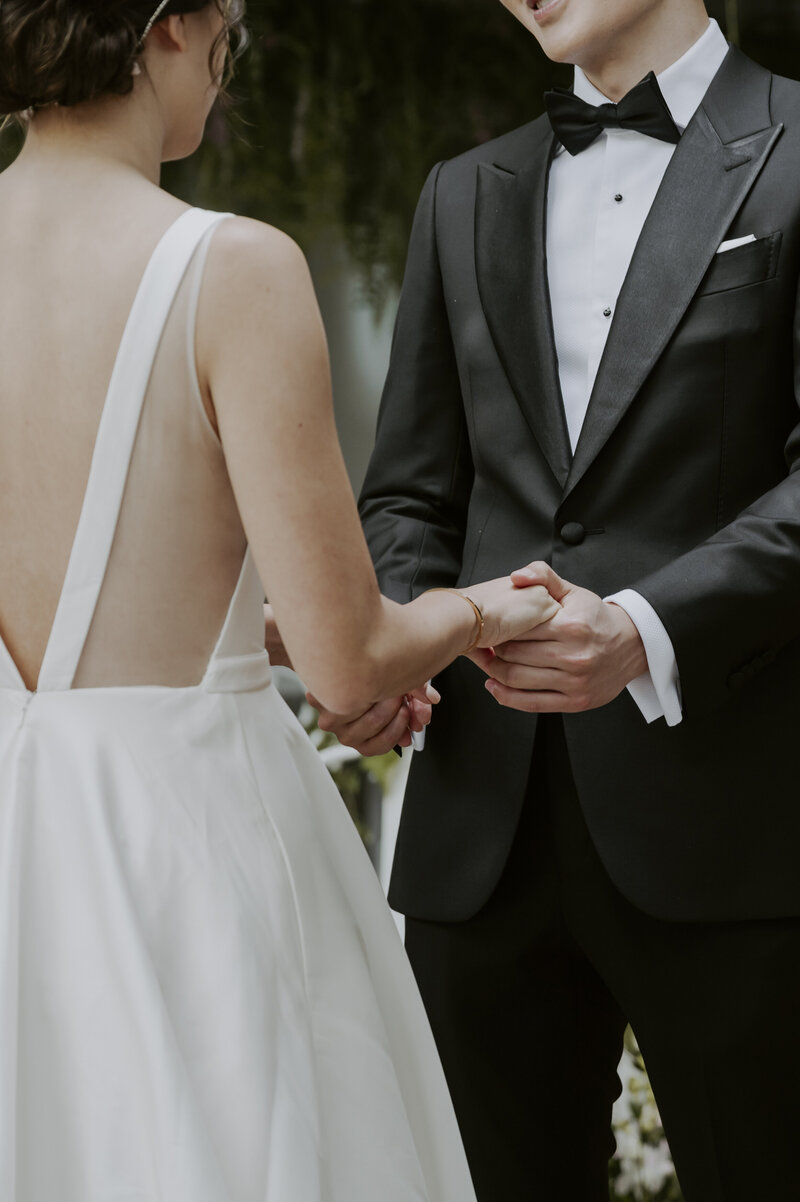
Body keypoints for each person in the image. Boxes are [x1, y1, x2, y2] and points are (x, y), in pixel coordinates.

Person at [0, 3, 561, 1198]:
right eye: (228, 40)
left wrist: (244, 626)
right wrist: (485, 611)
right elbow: (353, 660)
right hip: (183, 845)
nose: (224, 69)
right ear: (167, 26)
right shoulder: (229, 265)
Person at [314, 0, 800, 1198]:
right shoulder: (461, 191)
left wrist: (644, 628)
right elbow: (410, 494)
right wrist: (403, 641)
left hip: (731, 827)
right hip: (480, 836)